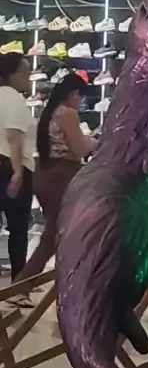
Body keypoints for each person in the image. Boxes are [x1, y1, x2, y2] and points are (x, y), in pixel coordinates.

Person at [16, 73, 98, 283]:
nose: (81, 102)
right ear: (74, 94)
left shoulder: (50, 111)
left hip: (45, 172)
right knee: (55, 234)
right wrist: (95, 142)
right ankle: (23, 284)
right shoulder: (68, 113)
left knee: (56, 233)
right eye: (81, 97)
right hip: (62, 176)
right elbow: (79, 149)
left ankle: (32, 283)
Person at [0, 53, 36, 300]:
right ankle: (17, 287)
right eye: (25, 72)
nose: (28, 77)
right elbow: (14, 138)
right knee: (18, 229)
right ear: (11, 73)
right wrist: (17, 172)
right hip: (9, 166)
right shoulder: (14, 99)